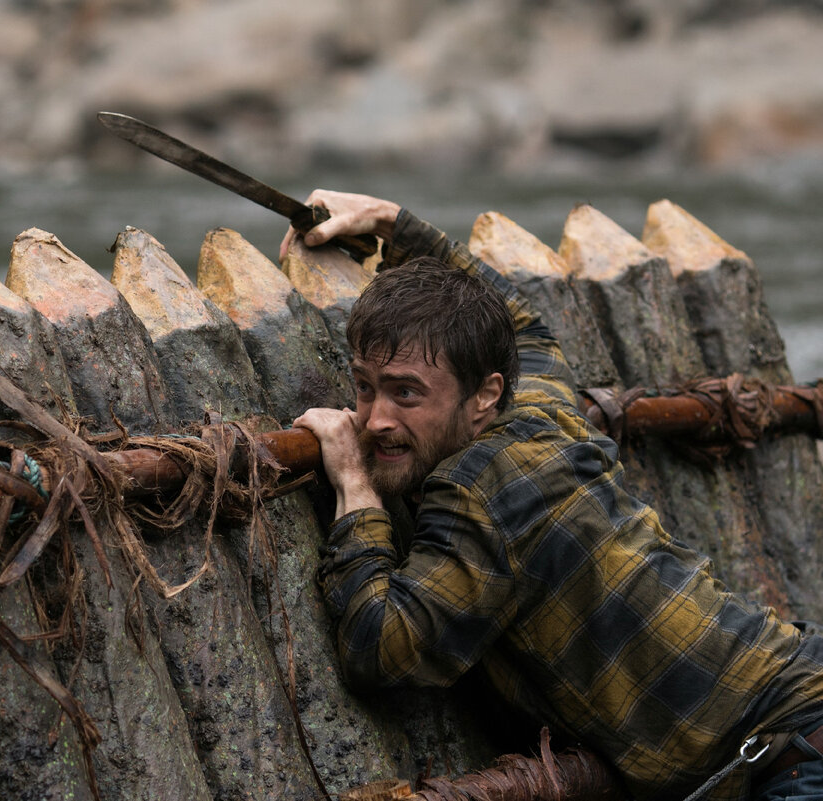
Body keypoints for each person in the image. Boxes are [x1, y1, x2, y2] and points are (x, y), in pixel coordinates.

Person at [285, 190, 823, 801]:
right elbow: (521, 322)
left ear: (484, 396)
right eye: (364, 388)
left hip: (793, 759)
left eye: (406, 394)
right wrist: (392, 223)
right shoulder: (534, 403)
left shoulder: (482, 488)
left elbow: (382, 649)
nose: (375, 418)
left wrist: (355, 486)